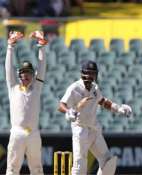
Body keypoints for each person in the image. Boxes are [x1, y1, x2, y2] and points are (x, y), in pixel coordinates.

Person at [58, 60, 132, 175]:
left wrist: (118, 109)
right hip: (80, 129)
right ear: (82, 74)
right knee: (79, 165)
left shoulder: (95, 88)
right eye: (88, 73)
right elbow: (61, 105)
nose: (90, 76)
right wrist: (69, 112)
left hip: (94, 129)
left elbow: (102, 101)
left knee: (107, 161)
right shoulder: (74, 88)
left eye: (93, 73)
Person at [5, 31, 48, 175]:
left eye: (29, 73)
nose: (25, 75)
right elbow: (8, 69)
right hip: (16, 133)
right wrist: (10, 47)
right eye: (23, 73)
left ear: (32, 75)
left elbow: (41, 68)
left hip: (33, 134)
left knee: (36, 169)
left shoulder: (37, 88)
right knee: (12, 169)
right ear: (19, 74)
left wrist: (41, 46)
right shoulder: (13, 87)